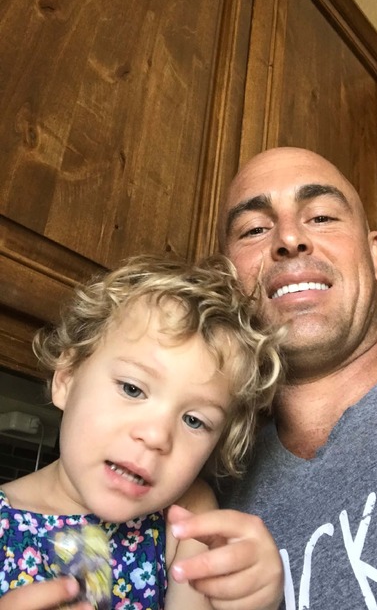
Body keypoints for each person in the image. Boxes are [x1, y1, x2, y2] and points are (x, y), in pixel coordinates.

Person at [214, 146, 377, 610]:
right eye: (255, 229)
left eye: (321, 217)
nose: (289, 238)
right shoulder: (200, 486)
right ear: (227, 283)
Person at [0, 254, 285, 610]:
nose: (156, 436)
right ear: (67, 379)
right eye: (132, 389)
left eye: (194, 421)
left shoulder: (184, 516)